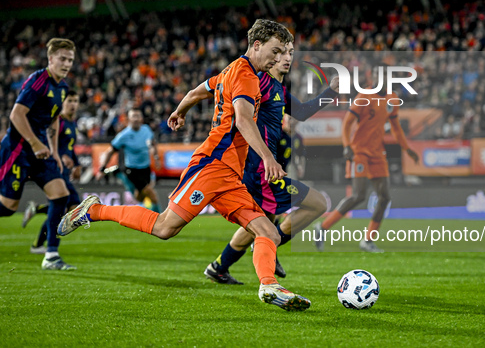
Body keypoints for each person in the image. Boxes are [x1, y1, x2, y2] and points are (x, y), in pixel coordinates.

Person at [58, 19, 309, 311]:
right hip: (211, 166)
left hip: (229, 175)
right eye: (275, 51)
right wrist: (268, 157)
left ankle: (269, 286)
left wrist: (180, 111)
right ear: (256, 45)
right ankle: (94, 210)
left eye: (284, 52)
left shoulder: (231, 70)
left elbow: (197, 92)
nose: (280, 59)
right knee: (164, 228)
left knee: (269, 232)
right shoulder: (245, 76)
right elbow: (242, 119)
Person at [202, 42, 338, 284]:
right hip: (258, 170)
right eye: (282, 53)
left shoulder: (279, 90)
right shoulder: (257, 81)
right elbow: (231, 99)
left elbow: (303, 112)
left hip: (262, 169)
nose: (287, 58)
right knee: (317, 203)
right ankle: (268, 246)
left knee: (257, 223)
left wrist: (331, 92)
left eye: (291, 54)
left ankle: (219, 267)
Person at [0, 38, 76, 270]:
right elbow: (16, 115)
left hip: (41, 151)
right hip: (18, 150)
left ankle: (51, 255)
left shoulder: (62, 88)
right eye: (62, 59)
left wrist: (53, 151)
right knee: (7, 208)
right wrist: (34, 143)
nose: (66, 64)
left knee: (61, 196)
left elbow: (53, 120)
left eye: (70, 60)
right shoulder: (38, 81)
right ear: (50, 58)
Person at [316, 88, 419, 252]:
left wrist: (407, 148)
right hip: (360, 152)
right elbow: (347, 122)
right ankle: (322, 227)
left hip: (377, 153)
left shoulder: (392, 99)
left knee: (384, 197)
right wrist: (346, 146)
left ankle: (368, 240)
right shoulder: (364, 96)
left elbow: (396, 127)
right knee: (358, 196)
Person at [22, 91, 82, 254]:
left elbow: (70, 148)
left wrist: (76, 164)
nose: (73, 104)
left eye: (75, 101)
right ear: (63, 102)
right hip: (57, 170)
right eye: (70, 100)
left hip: (65, 170)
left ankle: (38, 215)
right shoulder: (58, 122)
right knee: (67, 207)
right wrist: (59, 156)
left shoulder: (72, 123)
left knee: (71, 208)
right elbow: (49, 143)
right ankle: (42, 245)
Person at [96, 108, 161, 212]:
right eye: (133, 116)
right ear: (129, 119)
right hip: (132, 169)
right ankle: (160, 219)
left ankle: (141, 209)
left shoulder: (146, 129)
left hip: (145, 168)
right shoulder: (123, 135)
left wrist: (156, 157)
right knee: (152, 195)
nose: (136, 119)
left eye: (137, 116)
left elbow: (153, 143)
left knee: (140, 196)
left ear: (141, 118)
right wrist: (102, 168)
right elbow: (110, 151)